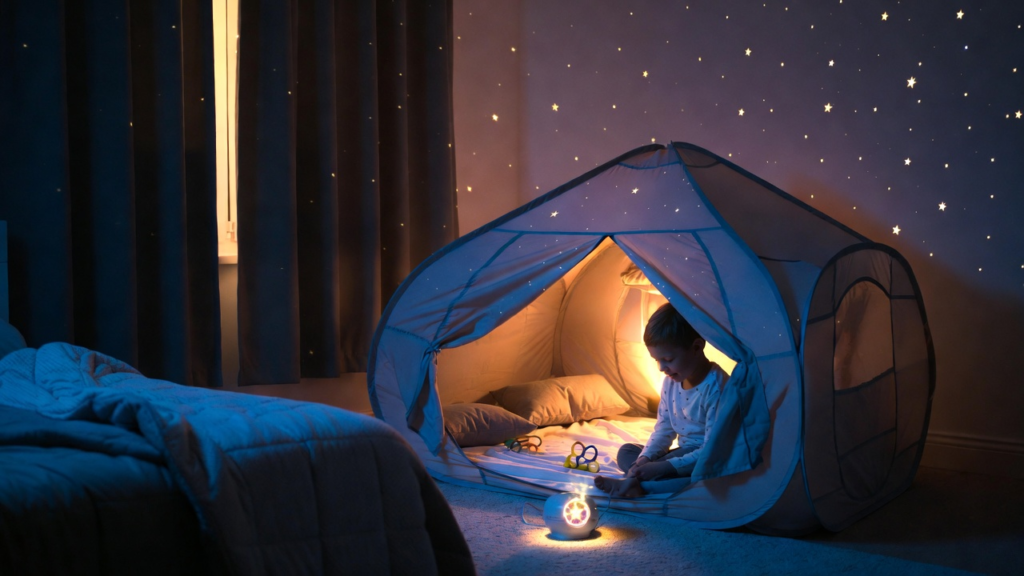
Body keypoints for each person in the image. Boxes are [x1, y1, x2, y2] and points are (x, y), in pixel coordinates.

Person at [594, 303, 725, 498]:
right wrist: (644, 460)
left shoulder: (716, 387)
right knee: (628, 451)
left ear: (696, 347)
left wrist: (663, 466)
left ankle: (639, 485)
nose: (661, 367)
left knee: (701, 477)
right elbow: (664, 429)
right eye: (657, 360)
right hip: (682, 453)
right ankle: (639, 478)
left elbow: (713, 448)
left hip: (708, 456)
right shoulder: (671, 381)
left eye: (668, 359)